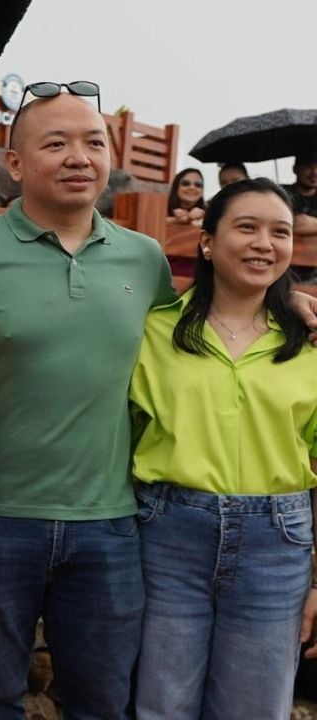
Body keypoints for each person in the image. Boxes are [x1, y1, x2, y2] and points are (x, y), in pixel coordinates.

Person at [0, 85, 176, 719]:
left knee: (101, 701)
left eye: (94, 143)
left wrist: (292, 311)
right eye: (55, 143)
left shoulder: (144, 260)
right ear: (14, 163)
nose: (78, 157)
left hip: (110, 523)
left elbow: (194, 345)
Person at [130, 178, 317, 719]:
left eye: (279, 232)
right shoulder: (154, 331)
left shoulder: (307, 342)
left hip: (277, 542)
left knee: (255, 708)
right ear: (208, 241)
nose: (265, 243)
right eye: (247, 227)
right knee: (161, 703)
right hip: (168, 534)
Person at [283, 151, 317, 243]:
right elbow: (294, 224)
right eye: (308, 166)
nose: (315, 172)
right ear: (295, 169)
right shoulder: (281, 194)